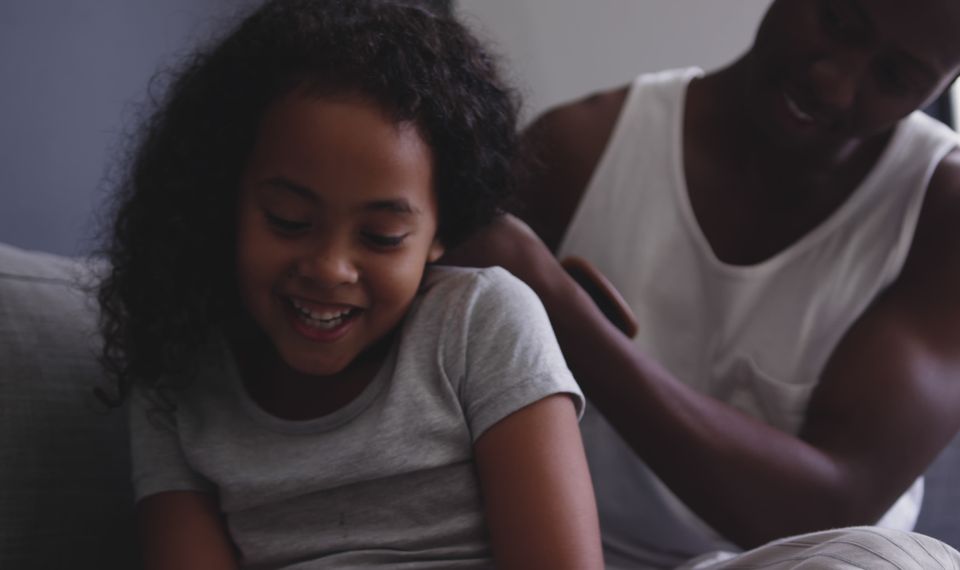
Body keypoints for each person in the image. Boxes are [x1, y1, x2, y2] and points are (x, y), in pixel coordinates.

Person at [446, 0, 960, 567]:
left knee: (897, 563)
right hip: (588, 559)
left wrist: (561, 307)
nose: (835, 83)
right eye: (835, 20)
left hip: (814, 565)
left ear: (955, 75)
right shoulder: (580, 149)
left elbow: (831, 508)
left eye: (897, 75)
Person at [95, 1, 603, 568]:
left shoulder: (481, 323)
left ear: (442, 231)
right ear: (224, 200)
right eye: (289, 221)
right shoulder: (176, 371)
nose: (331, 267)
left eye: (383, 235)